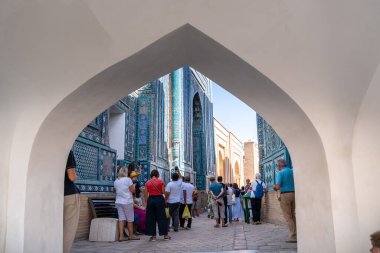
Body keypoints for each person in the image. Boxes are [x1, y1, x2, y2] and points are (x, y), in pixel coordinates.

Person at [274, 158, 297, 243]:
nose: (277, 167)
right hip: (294, 194)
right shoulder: (292, 171)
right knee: (293, 215)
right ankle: (297, 234)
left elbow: (278, 186)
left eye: (277, 166)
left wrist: (274, 187)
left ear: (280, 166)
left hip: (285, 195)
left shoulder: (280, 173)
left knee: (288, 217)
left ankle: (294, 236)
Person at [114, 167, 140, 241]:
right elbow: (132, 191)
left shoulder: (116, 181)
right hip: (127, 201)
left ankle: (121, 236)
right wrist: (134, 188)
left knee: (121, 218)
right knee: (130, 219)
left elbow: (116, 190)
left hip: (119, 201)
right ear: (126, 172)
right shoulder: (128, 180)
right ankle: (131, 235)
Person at [144, 169, 170, 241]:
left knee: (151, 218)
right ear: (157, 175)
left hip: (151, 200)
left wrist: (146, 203)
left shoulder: (147, 183)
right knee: (162, 217)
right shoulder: (161, 181)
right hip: (159, 199)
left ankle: (153, 236)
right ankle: (165, 235)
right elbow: (163, 192)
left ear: (151, 175)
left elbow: (146, 194)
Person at [63, 150, 80, 253]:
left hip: (51, 194)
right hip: (68, 194)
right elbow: (72, 176)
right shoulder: (66, 148)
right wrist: (76, 176)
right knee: (68, 230)